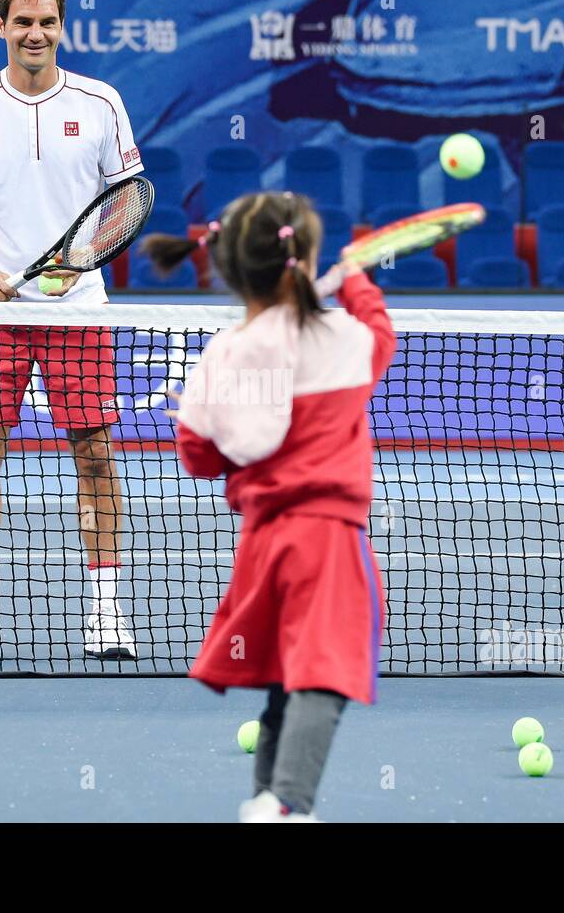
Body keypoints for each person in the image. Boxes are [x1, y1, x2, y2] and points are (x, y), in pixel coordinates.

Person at [143, 191, 396, 823]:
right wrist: (359, 281)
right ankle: (289, 806)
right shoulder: (341, 337)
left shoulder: (220, 357)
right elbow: (381, 340)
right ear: (302, 261)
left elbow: (198, 457)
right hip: (329, 543)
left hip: (263, 548)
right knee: (327, 674)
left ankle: (265, 802)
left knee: (289, 676)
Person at [0, 0, 145, 661]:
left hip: (78, 312)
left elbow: (126, 200)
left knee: (97, 455)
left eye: (47, 21)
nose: (35, 33)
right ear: (1, 27)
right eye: (22, 22)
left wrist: (79, 263)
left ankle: (105, 615)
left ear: (62, 26)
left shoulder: (102, 103)